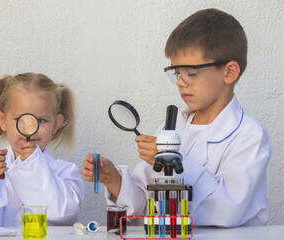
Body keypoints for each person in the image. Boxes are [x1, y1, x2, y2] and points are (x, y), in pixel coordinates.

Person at [81, 8, 271, 227]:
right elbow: (147, 204)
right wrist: (113, 179)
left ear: (229, 73)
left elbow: (227, 211)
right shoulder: (172, 128)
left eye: (191, 73)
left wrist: (173, 163)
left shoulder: (249, 135)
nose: (181, 82)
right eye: (177, 74)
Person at [0, 72, 84, 227]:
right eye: (19, 119)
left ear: (55, 125)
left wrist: (34, 165)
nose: (30, 129)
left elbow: (63, 214)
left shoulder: (66, 172)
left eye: (41, 120)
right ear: (3, 121)